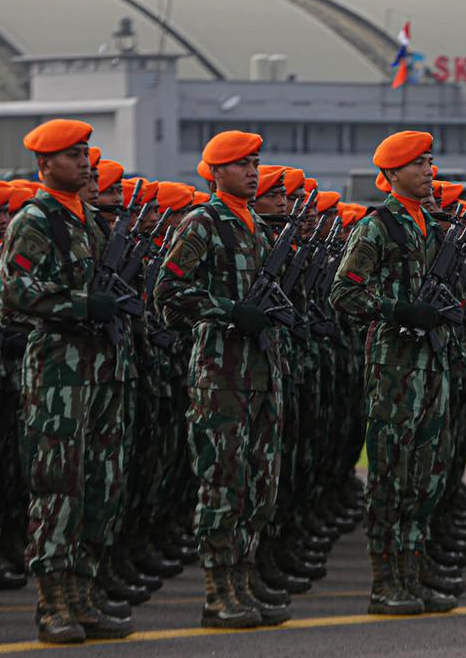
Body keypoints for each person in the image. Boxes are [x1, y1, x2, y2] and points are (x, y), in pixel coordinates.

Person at [0, 119, 133, 643]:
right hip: (59, 371)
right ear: (44, 164)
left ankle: (83, 594)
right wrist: (82, 305)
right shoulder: (34, 221)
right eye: (73, 155)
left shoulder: (91, 222)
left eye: (86, 154)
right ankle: (52, 603)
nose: (84, 163)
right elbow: (15, 293)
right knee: (59, 485)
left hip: (102, 368)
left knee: (101, 483)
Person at [154, 131, 290, 629]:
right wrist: (228, 310)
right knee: (223, 482)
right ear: (215, 173)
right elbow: (168, 289)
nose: (253, 172)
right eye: (241, 164)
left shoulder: (256, 228)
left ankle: (243, 582)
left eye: (256, 163)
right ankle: (218, 592)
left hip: (261, 370)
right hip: (220, 372)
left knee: (260, 483)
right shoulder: (203, 223)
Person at [330, 130, 458, 615]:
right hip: (395, 367)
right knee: (391, 476)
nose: (429, 170)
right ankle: (386, 583)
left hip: (431, 362)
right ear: (392, 174)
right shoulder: (378, 227)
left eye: (430, 161)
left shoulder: (430, 226)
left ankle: (413, 575)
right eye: (418, 163)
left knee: (425, 477)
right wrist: (397, 310)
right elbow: (344, 292)